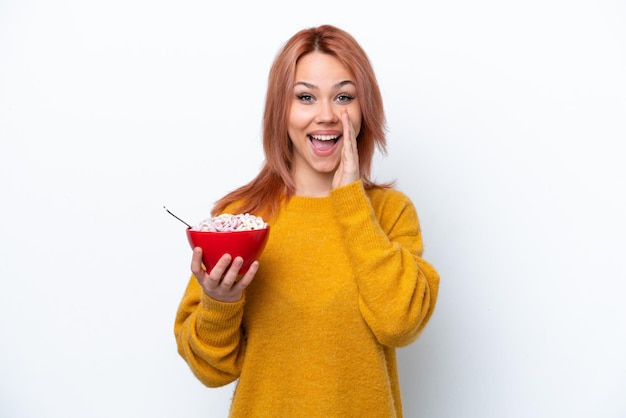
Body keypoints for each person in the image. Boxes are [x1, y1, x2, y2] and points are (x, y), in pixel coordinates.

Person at [174, 24, 440, 417]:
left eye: (344, 96)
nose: (327, 116)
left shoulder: (389, 213)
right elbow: (211, 370)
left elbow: (399, 324)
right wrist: (220, 302)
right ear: (281, 111)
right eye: (306, 97)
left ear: (364, 109)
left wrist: (349, 198)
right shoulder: (239, 220)